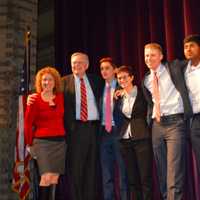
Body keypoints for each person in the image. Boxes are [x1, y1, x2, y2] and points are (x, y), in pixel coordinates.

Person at [141, 43, 193, 200]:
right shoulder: (146, 79)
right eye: (146, 55)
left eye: (152, 55)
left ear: (161, 56)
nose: (149, 58)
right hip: (157, 125)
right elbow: (150, 103)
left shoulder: (174, 67)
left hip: (175, 124)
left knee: (174, 169)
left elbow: (193, 62)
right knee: (162, 170)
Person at [62, 52, 102, 200]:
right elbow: (47, 91)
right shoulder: (63, 82)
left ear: (86, 65)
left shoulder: (96, 81)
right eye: (73, 63)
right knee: (76, 170)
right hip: (75, 131)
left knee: (92, 170)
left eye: (79, 62)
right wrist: (33, 96)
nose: (75, 66)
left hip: (94, 129)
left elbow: (110, 87)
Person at [24, 66, 66, 200]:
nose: (46, 82)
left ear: (55, 82)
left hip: (60, 142)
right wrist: (29, 144)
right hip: (42, 143)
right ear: (40, 82)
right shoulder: (34, 99)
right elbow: (27, 124)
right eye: (44, 80)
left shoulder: (60, 97)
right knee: (46, 177)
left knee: (54, 178)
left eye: (50, 80)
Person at [115, 65, 153, 200]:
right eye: (119, 78)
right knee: (132, 178)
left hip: (142, 137)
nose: (122, 80)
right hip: (125, 140)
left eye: (125, 77)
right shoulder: (119, 97)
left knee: (145, 177)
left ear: (132, 77)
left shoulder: (142, 92)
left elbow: (150, 109)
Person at [99, 57, 129, 200]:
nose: (104, 71)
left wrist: (126, 92)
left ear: (115, 70)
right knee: (107, 175)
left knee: (123, 173)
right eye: (102, 69)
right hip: (104, 133)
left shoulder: (123, 87)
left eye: (107, 68)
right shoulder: (99, 89)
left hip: (119, 132)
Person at [183, 34, 200, 174]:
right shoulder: (182, 71)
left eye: (192, 46)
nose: (188, 49)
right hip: (195, 120)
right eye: (186, 47)